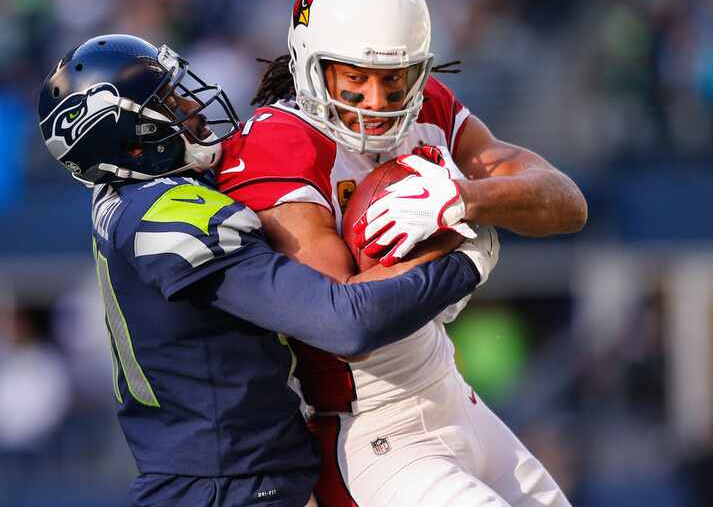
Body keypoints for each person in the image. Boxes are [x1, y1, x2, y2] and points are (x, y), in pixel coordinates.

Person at [36, 33, 498, 507]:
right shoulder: (169, 220)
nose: (192, 106)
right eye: (169, 102)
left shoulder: (128, 193)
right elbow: (345, 322)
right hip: (230, 487)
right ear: (133, 144)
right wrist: (464, 259)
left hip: (236, 478)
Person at [217, 0, 586, 507]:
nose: (376, 103)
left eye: (394, 80)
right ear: (309, 64)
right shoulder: (279, 143)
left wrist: (465, 197)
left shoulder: (428, 104)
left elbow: (566, 202)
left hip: (451, 394)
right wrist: (458, 256)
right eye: (355, 79)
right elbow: (341, 320)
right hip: (369, 428)